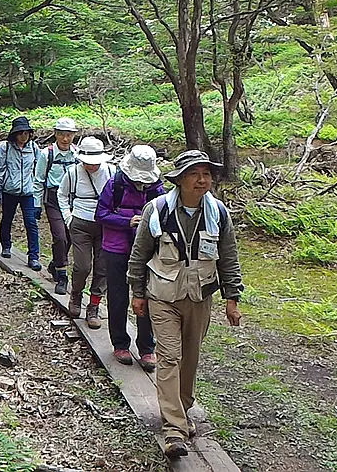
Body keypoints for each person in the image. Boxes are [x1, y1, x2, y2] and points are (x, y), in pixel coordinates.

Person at [127, 150, 244, 458]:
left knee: (190, 358)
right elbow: (139, 255)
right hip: (162, 296)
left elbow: (229, 258)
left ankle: (182, 410)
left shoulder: (218, 213)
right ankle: (174, 429)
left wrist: (232, 299)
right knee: (169, 357)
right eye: (194, 174)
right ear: (179, 180)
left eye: (206, 174)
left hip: (200, 296)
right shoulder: (158, 210)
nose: (202, 180)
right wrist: (137, 293)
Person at [97, 145, 164, 370]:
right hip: (115, 248)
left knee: (146, 296)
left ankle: (147, 348)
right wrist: (127, 221)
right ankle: (120, 344)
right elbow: (101, 214)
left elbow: (163, 214)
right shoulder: (114, 185)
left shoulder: (157, 188)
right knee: (118, 297)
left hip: (145, 250)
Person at [57, 136, 115, 327]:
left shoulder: (111, 172)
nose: (92, 166)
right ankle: (76, 295)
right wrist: (68, 218)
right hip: (80, 223)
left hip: (106, 225)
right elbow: (62, 194)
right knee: (82, 266)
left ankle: (94, 306)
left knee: (103, 267)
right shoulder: (73, 173)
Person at [35, 117, 81, 295]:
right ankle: (62, 276)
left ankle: (55, 263)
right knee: (60, 236)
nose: (65, 139)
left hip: (72, 199)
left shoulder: (77, 154)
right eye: (62, 134)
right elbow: (39, 180)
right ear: (55, 134)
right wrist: (36, 204)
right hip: (53, 199)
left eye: (69, 135)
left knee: (70, 237)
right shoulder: (47, 154)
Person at [0, 116, 42, 271]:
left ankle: (33, 256)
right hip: (9, 191)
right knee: (7, 219)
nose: (24, 136)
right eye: (21, 133)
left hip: (28, 192)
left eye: (26, 133)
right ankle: (6, 245)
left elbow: (39, 171)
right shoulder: (5, 148)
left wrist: (38, 195)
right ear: (14, 134)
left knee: (31, 223)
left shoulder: (34, 149)